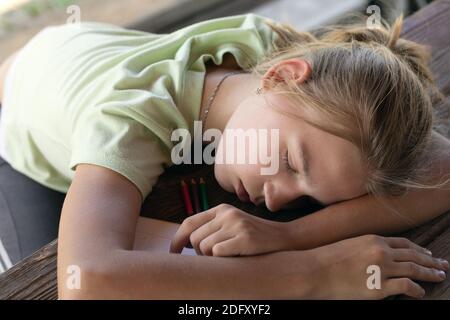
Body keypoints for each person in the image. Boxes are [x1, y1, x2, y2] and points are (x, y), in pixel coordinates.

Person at [0, 13, 448, 299]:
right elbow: (87, 279)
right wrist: (314, 271)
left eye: (311, 196)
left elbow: (443, 169)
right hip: (22, 102)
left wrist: (289, 236)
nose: (277, 202)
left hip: (98, 46)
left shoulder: (292, 58)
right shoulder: (126, 122)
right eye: (291, 162)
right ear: (281, 77)